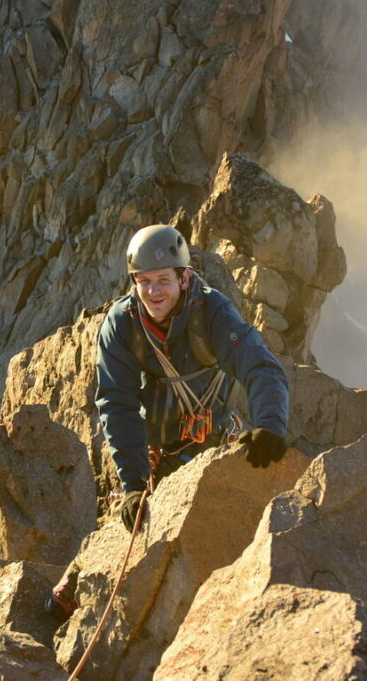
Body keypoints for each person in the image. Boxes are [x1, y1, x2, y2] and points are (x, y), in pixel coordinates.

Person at [95, 223, 291, 532]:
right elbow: (117, 402)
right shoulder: (122, 324)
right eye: (144, 281)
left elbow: (259, 365)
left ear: (184, 278)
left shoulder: (212, 312)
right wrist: (134, 483)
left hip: (214, 442)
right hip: (157, 453)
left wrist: (270, 425)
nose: (153, 291)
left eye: (163, 280)